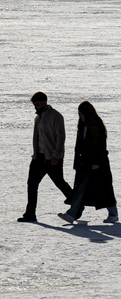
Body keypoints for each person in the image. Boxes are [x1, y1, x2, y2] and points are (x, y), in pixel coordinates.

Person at [57, 101, 118, 225]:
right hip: (85, 164)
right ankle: (71, 214)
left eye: (81, 114)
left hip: (97, 165)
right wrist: (77, 163)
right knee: (80, 189)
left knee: (104, 189)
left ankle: (113, 213)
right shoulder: (82, 126)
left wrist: (97, 162)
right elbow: (78, 147)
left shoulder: (97, 125)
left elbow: (101, 146)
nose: (80, 116)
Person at [18, 92, 72, 222]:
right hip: (38, 157)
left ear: (44, 102)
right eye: (34, 105)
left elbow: (61, 137)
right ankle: (30, 214)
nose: (35, 107)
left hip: (52, 157)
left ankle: (77, 204)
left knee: (59, 182)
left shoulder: (56, 116)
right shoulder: (38, 118)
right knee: (32, 184)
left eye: (37, 104)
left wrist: (56, 155)